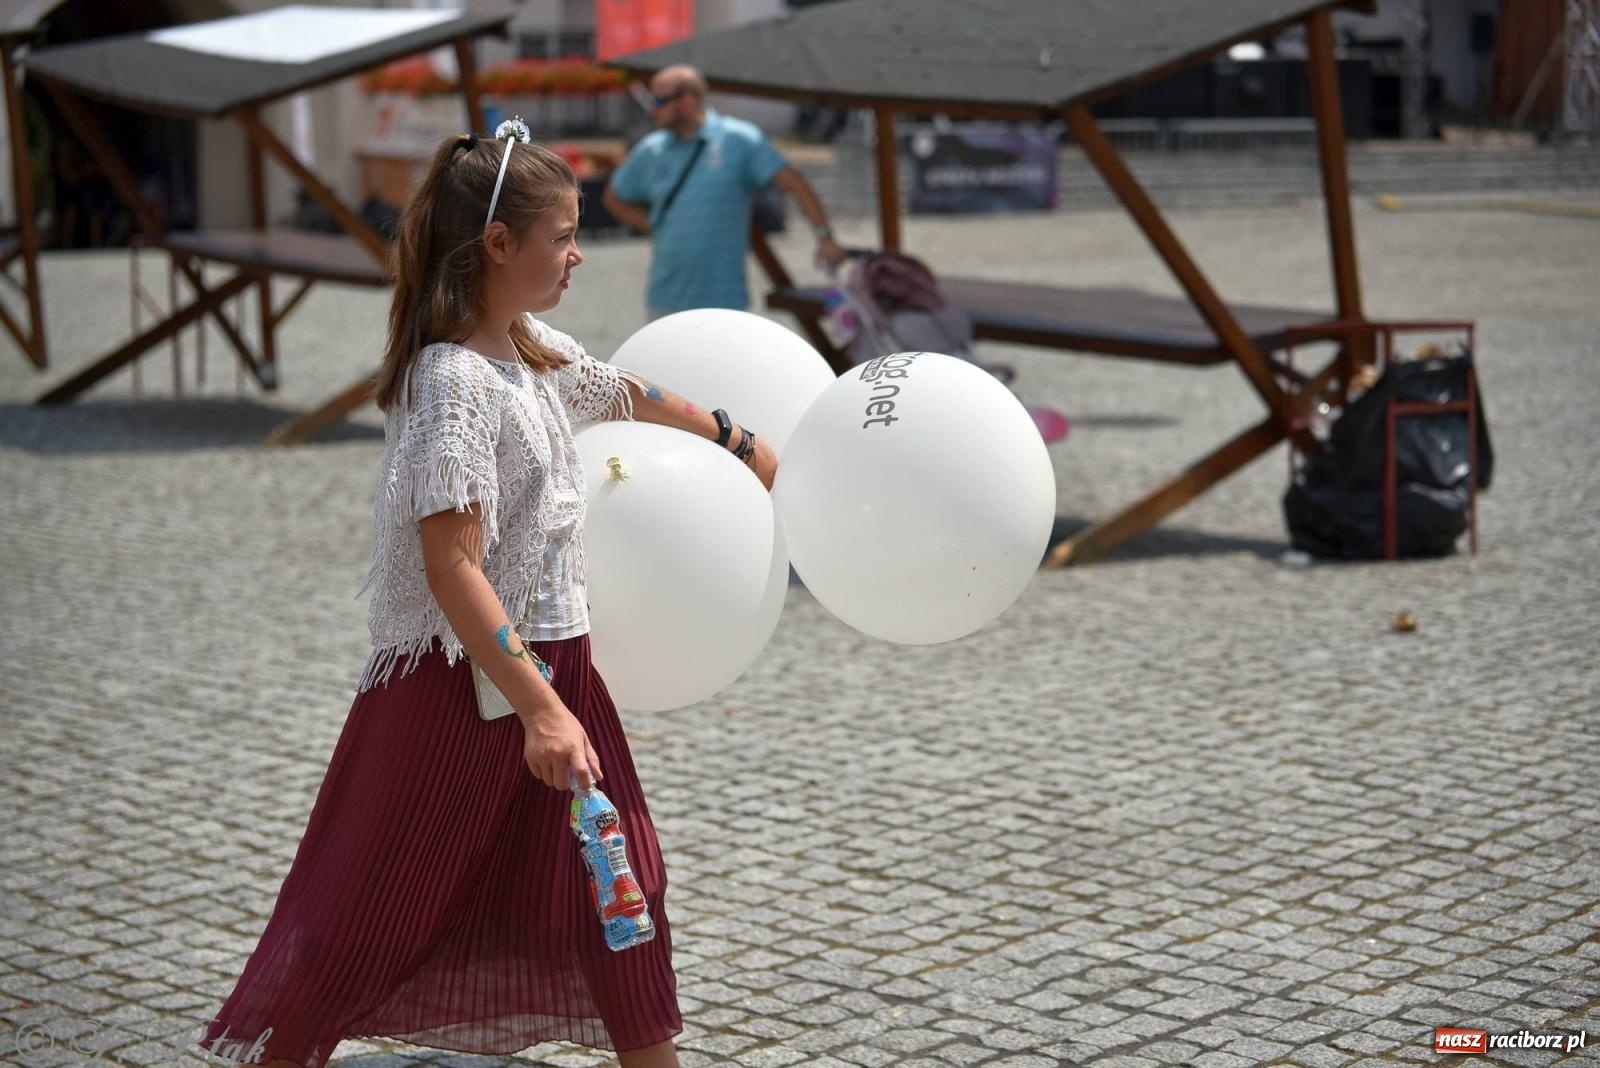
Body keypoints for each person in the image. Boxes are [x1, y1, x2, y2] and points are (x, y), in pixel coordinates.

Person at [197, 121, 776, 1068]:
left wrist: (736, 438)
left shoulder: (526, 347)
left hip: (555, 675)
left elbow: (618, 390)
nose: (578, 253)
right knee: (367, 925)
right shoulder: (455, 382)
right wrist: (543, 713)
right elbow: (452, 567)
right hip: (465, 696)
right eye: (561, 235)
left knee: (621, 899)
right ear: (498, 244)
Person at [603, 63, 846, 319]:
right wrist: (653, 224)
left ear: (686, 100)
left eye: (660, 100)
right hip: (664, 297)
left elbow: (795, 183)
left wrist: (824, 237)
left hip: (724, 301)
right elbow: (613, 197)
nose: (652, 109)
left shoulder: (739, 140)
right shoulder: (651, 149)